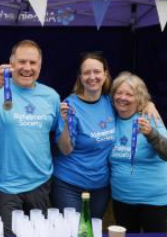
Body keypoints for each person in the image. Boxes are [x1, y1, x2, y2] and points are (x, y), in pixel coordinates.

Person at [52, 52, 160, 219]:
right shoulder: (70, 106)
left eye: (97, 72)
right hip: (69, 184)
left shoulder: (110, 102)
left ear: (105, 74)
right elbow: (65, 149)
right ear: (80, 77)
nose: (92, 77)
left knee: (93, 230)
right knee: (72, 232)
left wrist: (149, 104)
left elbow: (131, 100)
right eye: (87, 72)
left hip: (100, 186)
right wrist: (66, 123)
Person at [0, 40, 60, 234]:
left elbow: (53, 132)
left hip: (40, 183)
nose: (27, 68)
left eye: (32, 62)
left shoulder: (51, 96)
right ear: (11, 64)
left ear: (40, 65)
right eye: (21, 62)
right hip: (5, 185)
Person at [109, 71, 167, 232]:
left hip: (156, 200)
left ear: (139, 98)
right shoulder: (109, 118)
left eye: (129, 94)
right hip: (123, 199)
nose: (122, 98)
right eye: (119, 93)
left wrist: (152, 134)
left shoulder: (149, 117)